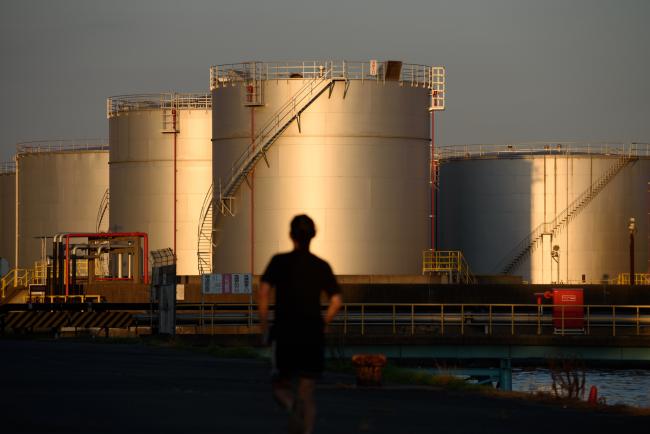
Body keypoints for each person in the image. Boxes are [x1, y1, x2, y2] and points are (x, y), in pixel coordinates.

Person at [258, 214, 343, 434]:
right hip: (312, 333)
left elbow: (264, 291)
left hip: (285, 332)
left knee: (280, 385)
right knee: (307, 392)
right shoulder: (321, 265)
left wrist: (265, 325)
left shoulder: (278, 261)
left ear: (290, 235)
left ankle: (290, 405)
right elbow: (336, 300)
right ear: (313, 236)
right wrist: (324, 322)